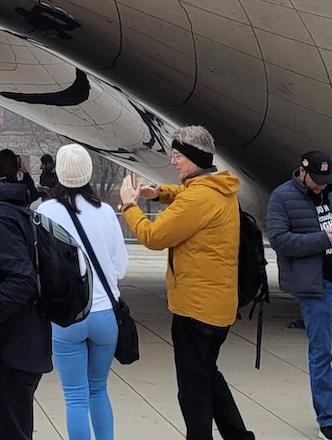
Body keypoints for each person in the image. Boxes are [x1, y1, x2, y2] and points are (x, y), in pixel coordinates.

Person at [120, 127, 252, 440]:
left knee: (193, 390)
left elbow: (154, 236)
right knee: (208, 374)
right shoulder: (218, 188)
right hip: (217, 307)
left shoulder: (198, 198)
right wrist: (159, 193)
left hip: (196, 311)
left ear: (193, 159)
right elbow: (188, 194)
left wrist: (129, 206)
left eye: (178, 156)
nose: (174, 161)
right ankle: (238, 436)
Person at [267, 150, 332, 440]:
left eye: (326, 180)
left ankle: (330, 402)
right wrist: (322, 240)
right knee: (321, 352)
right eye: (317, 180)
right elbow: (278, 239)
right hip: (315, 287)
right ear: (301, 172)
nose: (322, 186)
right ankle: (327, 419)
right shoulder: (282, 197)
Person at [34, 144, 124, 440]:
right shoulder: (107, 212)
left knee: (74, 396)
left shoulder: (45, 212)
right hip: (104, 314)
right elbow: (119, 266)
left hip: (66, 316)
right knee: (99, 389)